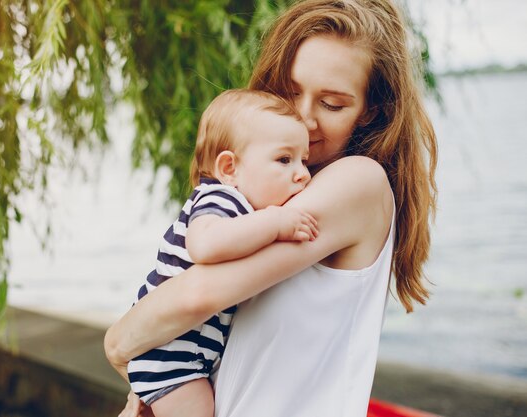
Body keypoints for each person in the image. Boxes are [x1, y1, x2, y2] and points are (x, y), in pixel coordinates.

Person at [105, 0, 438, 416]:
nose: (303, 118)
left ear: (371, 112)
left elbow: (196, 295)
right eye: (290, 91)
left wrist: (118, 343)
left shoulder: (359, 182)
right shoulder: (271, 194)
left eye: (332, 104)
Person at [127, 89, 318, 417]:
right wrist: (274, 222)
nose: (302, 173)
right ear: (229, 168)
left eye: (304, 160)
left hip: (183, 356)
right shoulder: (221, 199)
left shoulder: (239, 208)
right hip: (169, 358)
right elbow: (205, 245)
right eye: (284, 159)